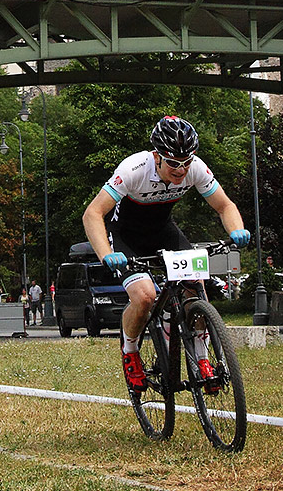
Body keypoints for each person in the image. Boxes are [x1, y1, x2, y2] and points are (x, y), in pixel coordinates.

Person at [82, 116, 250, 393]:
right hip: (126, 236)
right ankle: (131, 351)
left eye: (186, 162)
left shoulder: (195, 168)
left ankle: (202, 357)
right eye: (173, 163)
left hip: (163, 231)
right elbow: (93, 214)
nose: (181, 170)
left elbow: (225, 206)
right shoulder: (134, 168)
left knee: (195, 289)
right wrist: (106, 254)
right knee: (145, 296)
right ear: (157, 156)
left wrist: (237, 229)